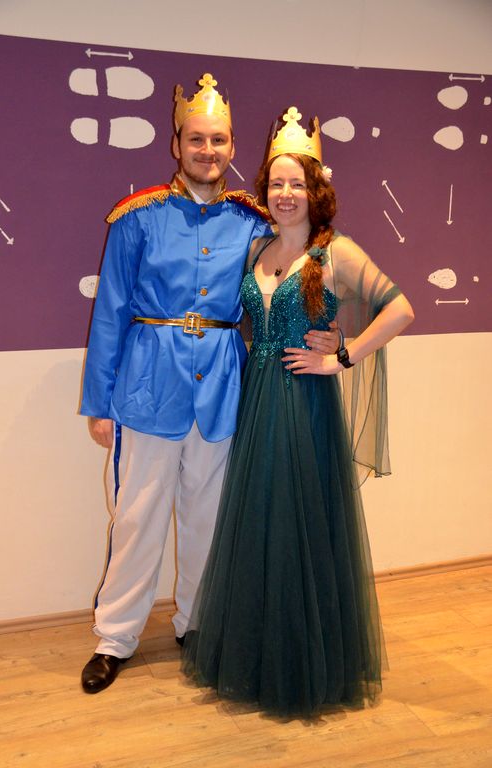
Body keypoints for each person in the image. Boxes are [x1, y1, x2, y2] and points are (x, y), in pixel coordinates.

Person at [79, 79, 338, 694]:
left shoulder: (252, 222)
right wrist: (98, 403)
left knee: (210, 518)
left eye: (218, 140)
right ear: (177, 144)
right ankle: (115, 637)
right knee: (137, 518)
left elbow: (298, 269)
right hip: (147, 387)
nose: (207, 150)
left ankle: (199, 625)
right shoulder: (136, 218)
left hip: (223, 388)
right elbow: (110, 312)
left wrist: (331, 332)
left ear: (232, 146)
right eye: (196, 139)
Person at [182, 107, 414, 718]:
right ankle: (260, 655)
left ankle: (302, 665)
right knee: (259, 526)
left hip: (304, 407)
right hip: (259, 401)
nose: (286, 194)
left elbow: (399, 308)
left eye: (297, 184)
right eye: (277, 183)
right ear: (266, 190)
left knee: (297, 527)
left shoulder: (335, 252)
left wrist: (342, 356)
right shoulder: (257, 248)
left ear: (317, 191)